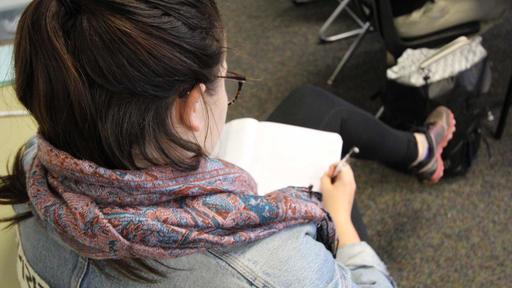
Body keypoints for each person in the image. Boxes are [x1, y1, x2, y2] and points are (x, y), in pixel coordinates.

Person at [0, 0, 455, 287]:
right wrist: (342, 221)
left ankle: (418, 150)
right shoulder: (271, 268)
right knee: (321, 131)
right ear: (192, 108)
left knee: (309, 103)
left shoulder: (36, 164)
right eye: (226, 82)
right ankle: (421, 152)